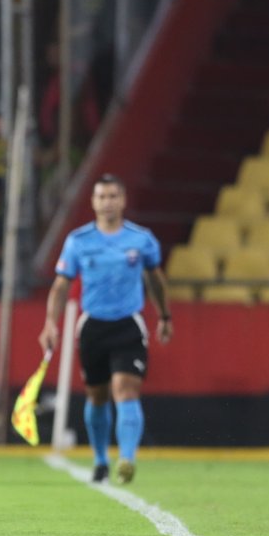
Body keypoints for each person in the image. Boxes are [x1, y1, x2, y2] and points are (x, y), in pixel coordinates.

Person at [38, 174, 173, 485]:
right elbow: (61, 286)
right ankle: (100, 460)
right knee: (97, 396)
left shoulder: (141, 240)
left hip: (128, 325)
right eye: (102, 196)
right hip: (93, 327)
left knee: (125, 389)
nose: (107, 202)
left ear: (122, 200)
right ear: (93, 202)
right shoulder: (78, 241)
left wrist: (164, 316)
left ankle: (126, 459)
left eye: (113, 196)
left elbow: (155, 279)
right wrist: (50, 323)